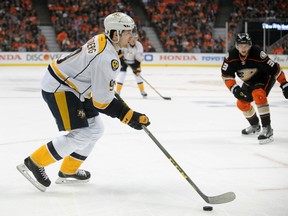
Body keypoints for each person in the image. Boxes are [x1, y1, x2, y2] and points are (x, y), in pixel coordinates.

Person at [16, 12, 150, 192]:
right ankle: (34, 162)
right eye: (128, 32)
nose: (132, 36)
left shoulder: (104, 39)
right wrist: (129, 116)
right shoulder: (106, 58)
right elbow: (101, 102)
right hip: (60, 86)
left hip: (74, 85)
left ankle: (68, 171)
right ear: (115, 34)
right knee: (82, 134)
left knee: (95, 129)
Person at [221, 33, 288, 144]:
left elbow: (275, 69)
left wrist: (284, 84)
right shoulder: (231, 57)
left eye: (246, 45)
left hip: (264, 77)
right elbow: (226, 75)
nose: (243, 48)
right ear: (236, 46)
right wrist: (235, 89)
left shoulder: (257, 53)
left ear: (250, 45)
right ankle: (255, 125)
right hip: (249, 81)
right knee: (241, 103)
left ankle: (267, 128)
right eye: (241, 45)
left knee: (258, 94)